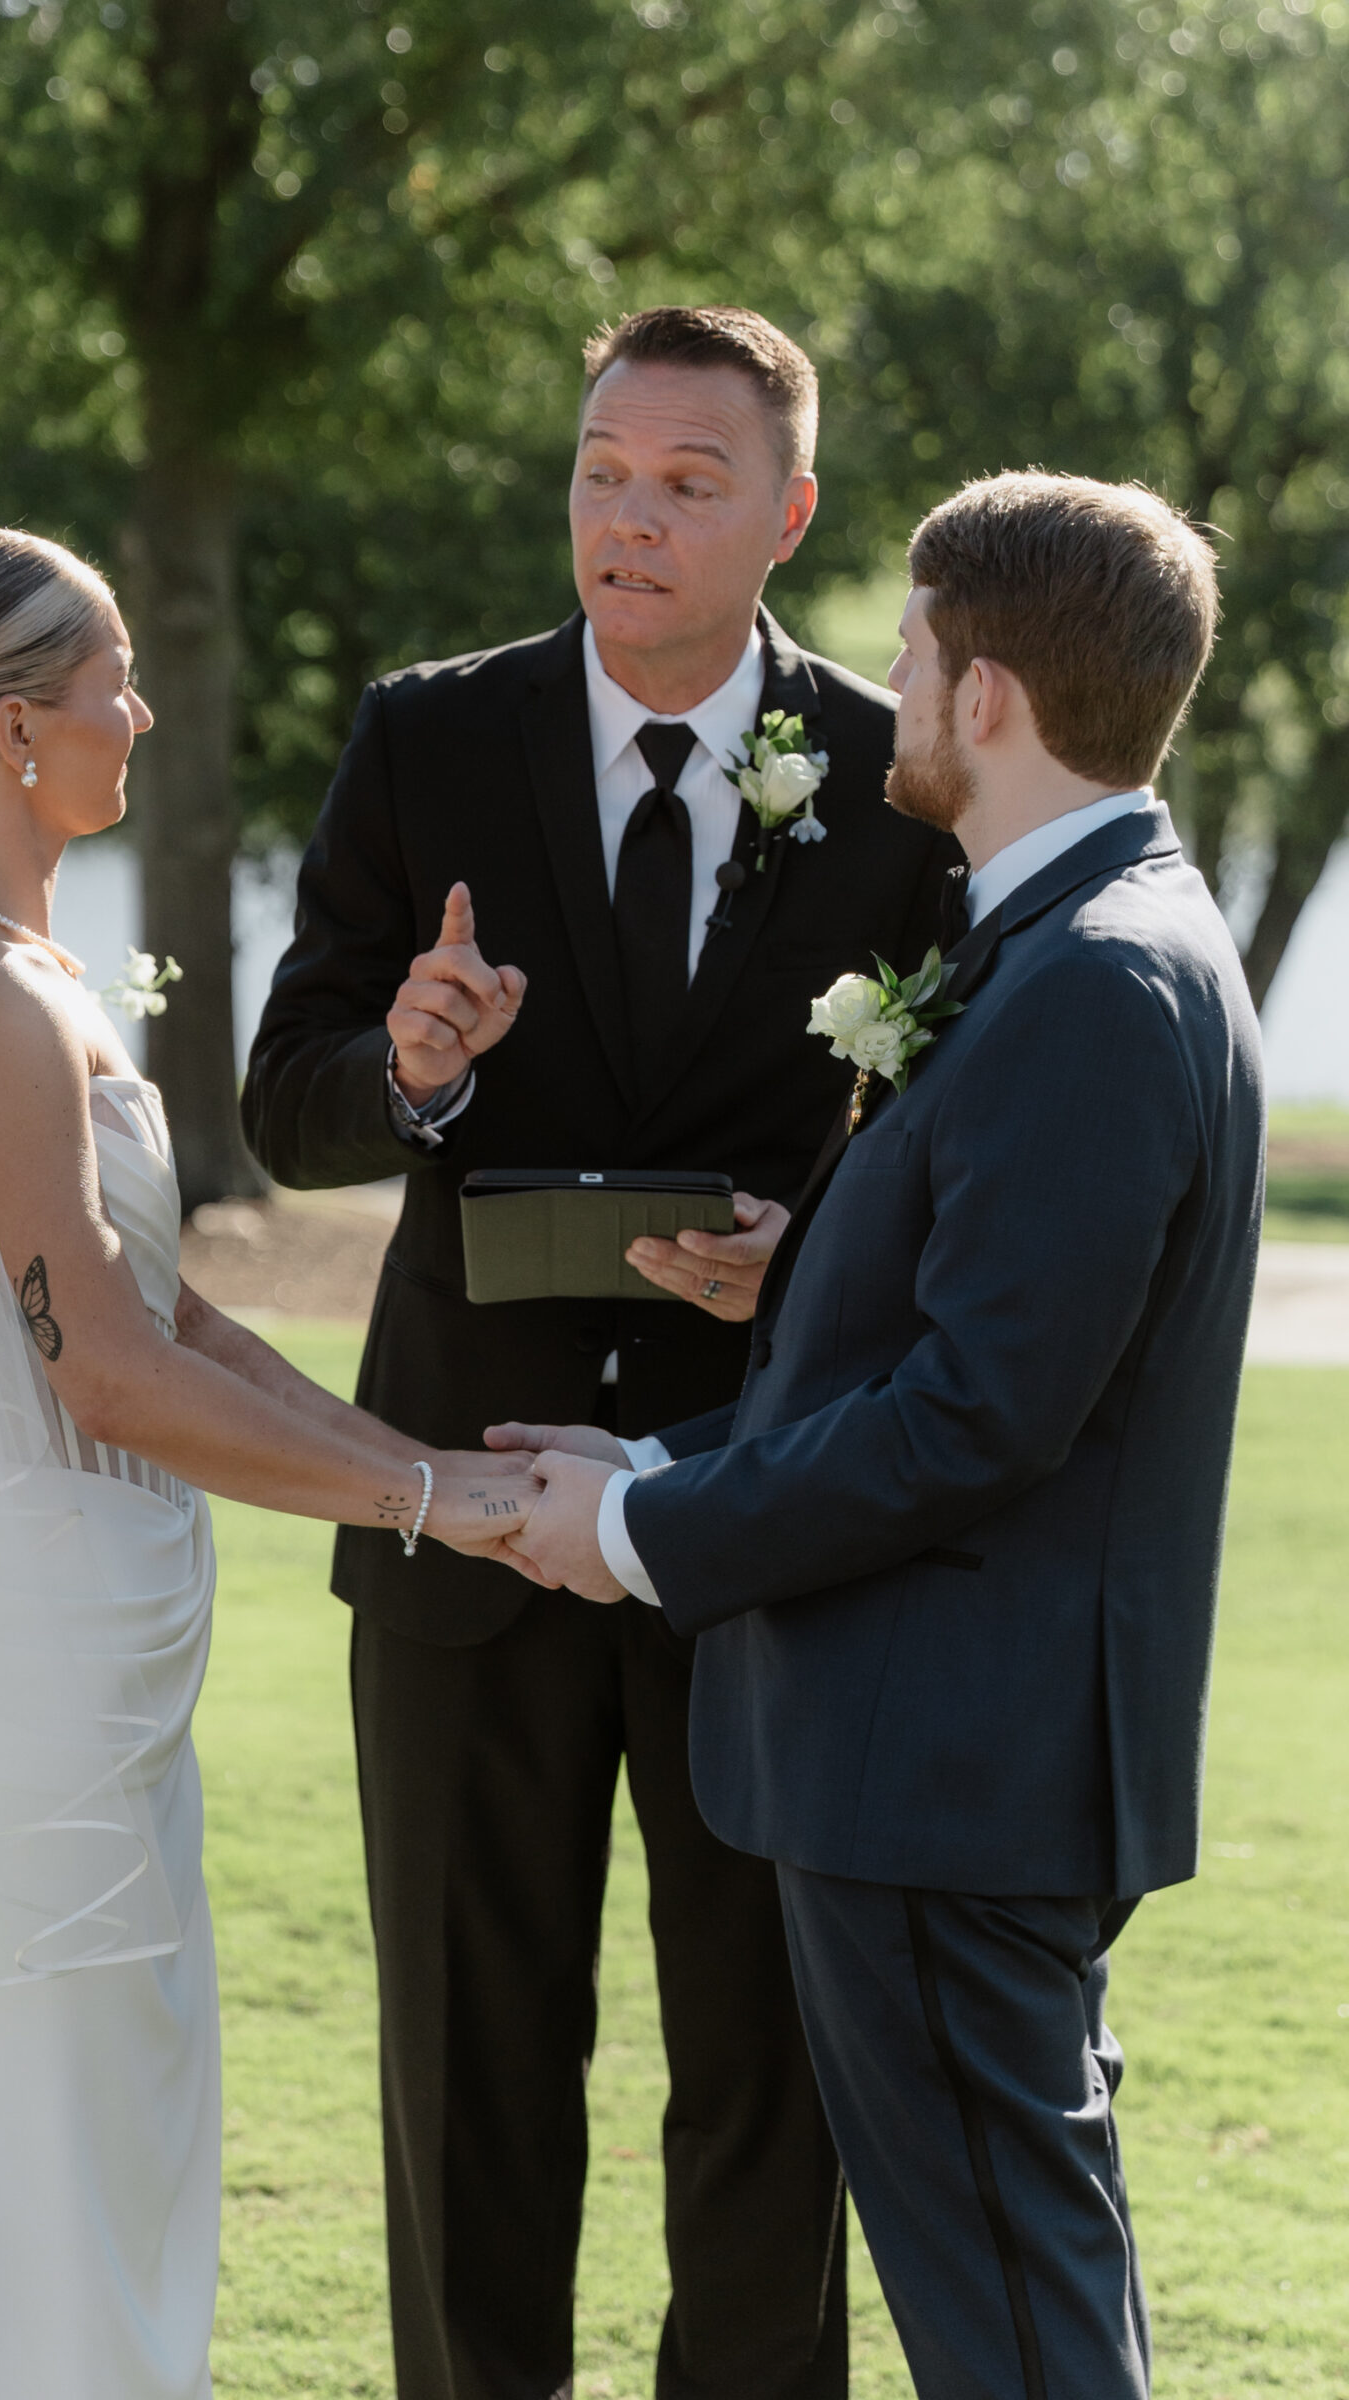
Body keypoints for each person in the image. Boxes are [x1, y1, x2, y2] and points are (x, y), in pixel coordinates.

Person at [0, 525, 536, 2400]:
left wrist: (426, 1470)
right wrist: (423, 1503)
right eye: (108, 685)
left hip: (63, 1659)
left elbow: (172, 1323)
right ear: (6, 734)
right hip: (25, 1682)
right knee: (38, 2147)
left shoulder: (13, 972)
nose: (139, 715)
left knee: (54, 2123)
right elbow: (107, 1378)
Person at [242, 306, 958, 2400]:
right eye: (598, 467)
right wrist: (410, 1067)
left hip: (763, 1519)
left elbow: (952, 1149)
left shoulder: (899, 781)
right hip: (459, 1523)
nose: (624, 516)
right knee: (470, 2083)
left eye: (685, 480)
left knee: (767, 2078)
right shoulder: (424, 739)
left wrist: (807, 1251)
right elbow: (285, 1102)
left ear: (789, 513)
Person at [494, 472, 1264, 2399]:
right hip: (962, 1759)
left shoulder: (1093, 980)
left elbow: (979, 1415)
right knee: (1026, 2280)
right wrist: (659, 1469)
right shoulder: (1074, 934)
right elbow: (937, 1342)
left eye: (913, 650)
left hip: (950, 1773)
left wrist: (644, 1543)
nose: (889, 682)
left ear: (986, 694)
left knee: (1007, 2313)